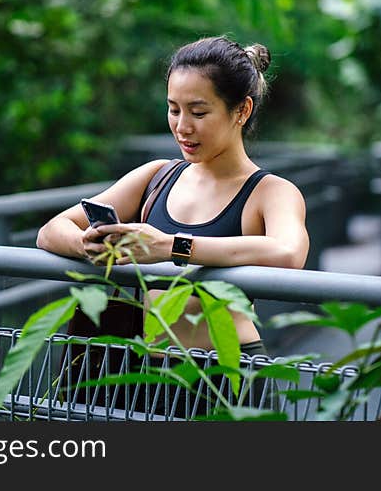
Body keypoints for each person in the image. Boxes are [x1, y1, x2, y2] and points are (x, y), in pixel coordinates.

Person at [36, 35, 309, 367]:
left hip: (225, 373)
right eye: (173, 109)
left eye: (198, 112)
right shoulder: (158, 176)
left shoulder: (270, 191)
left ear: (242, 110)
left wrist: (171, 247)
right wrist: (91, 246)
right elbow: (50, 231)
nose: (182, 127)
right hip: (144, 372)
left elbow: (289, 252)